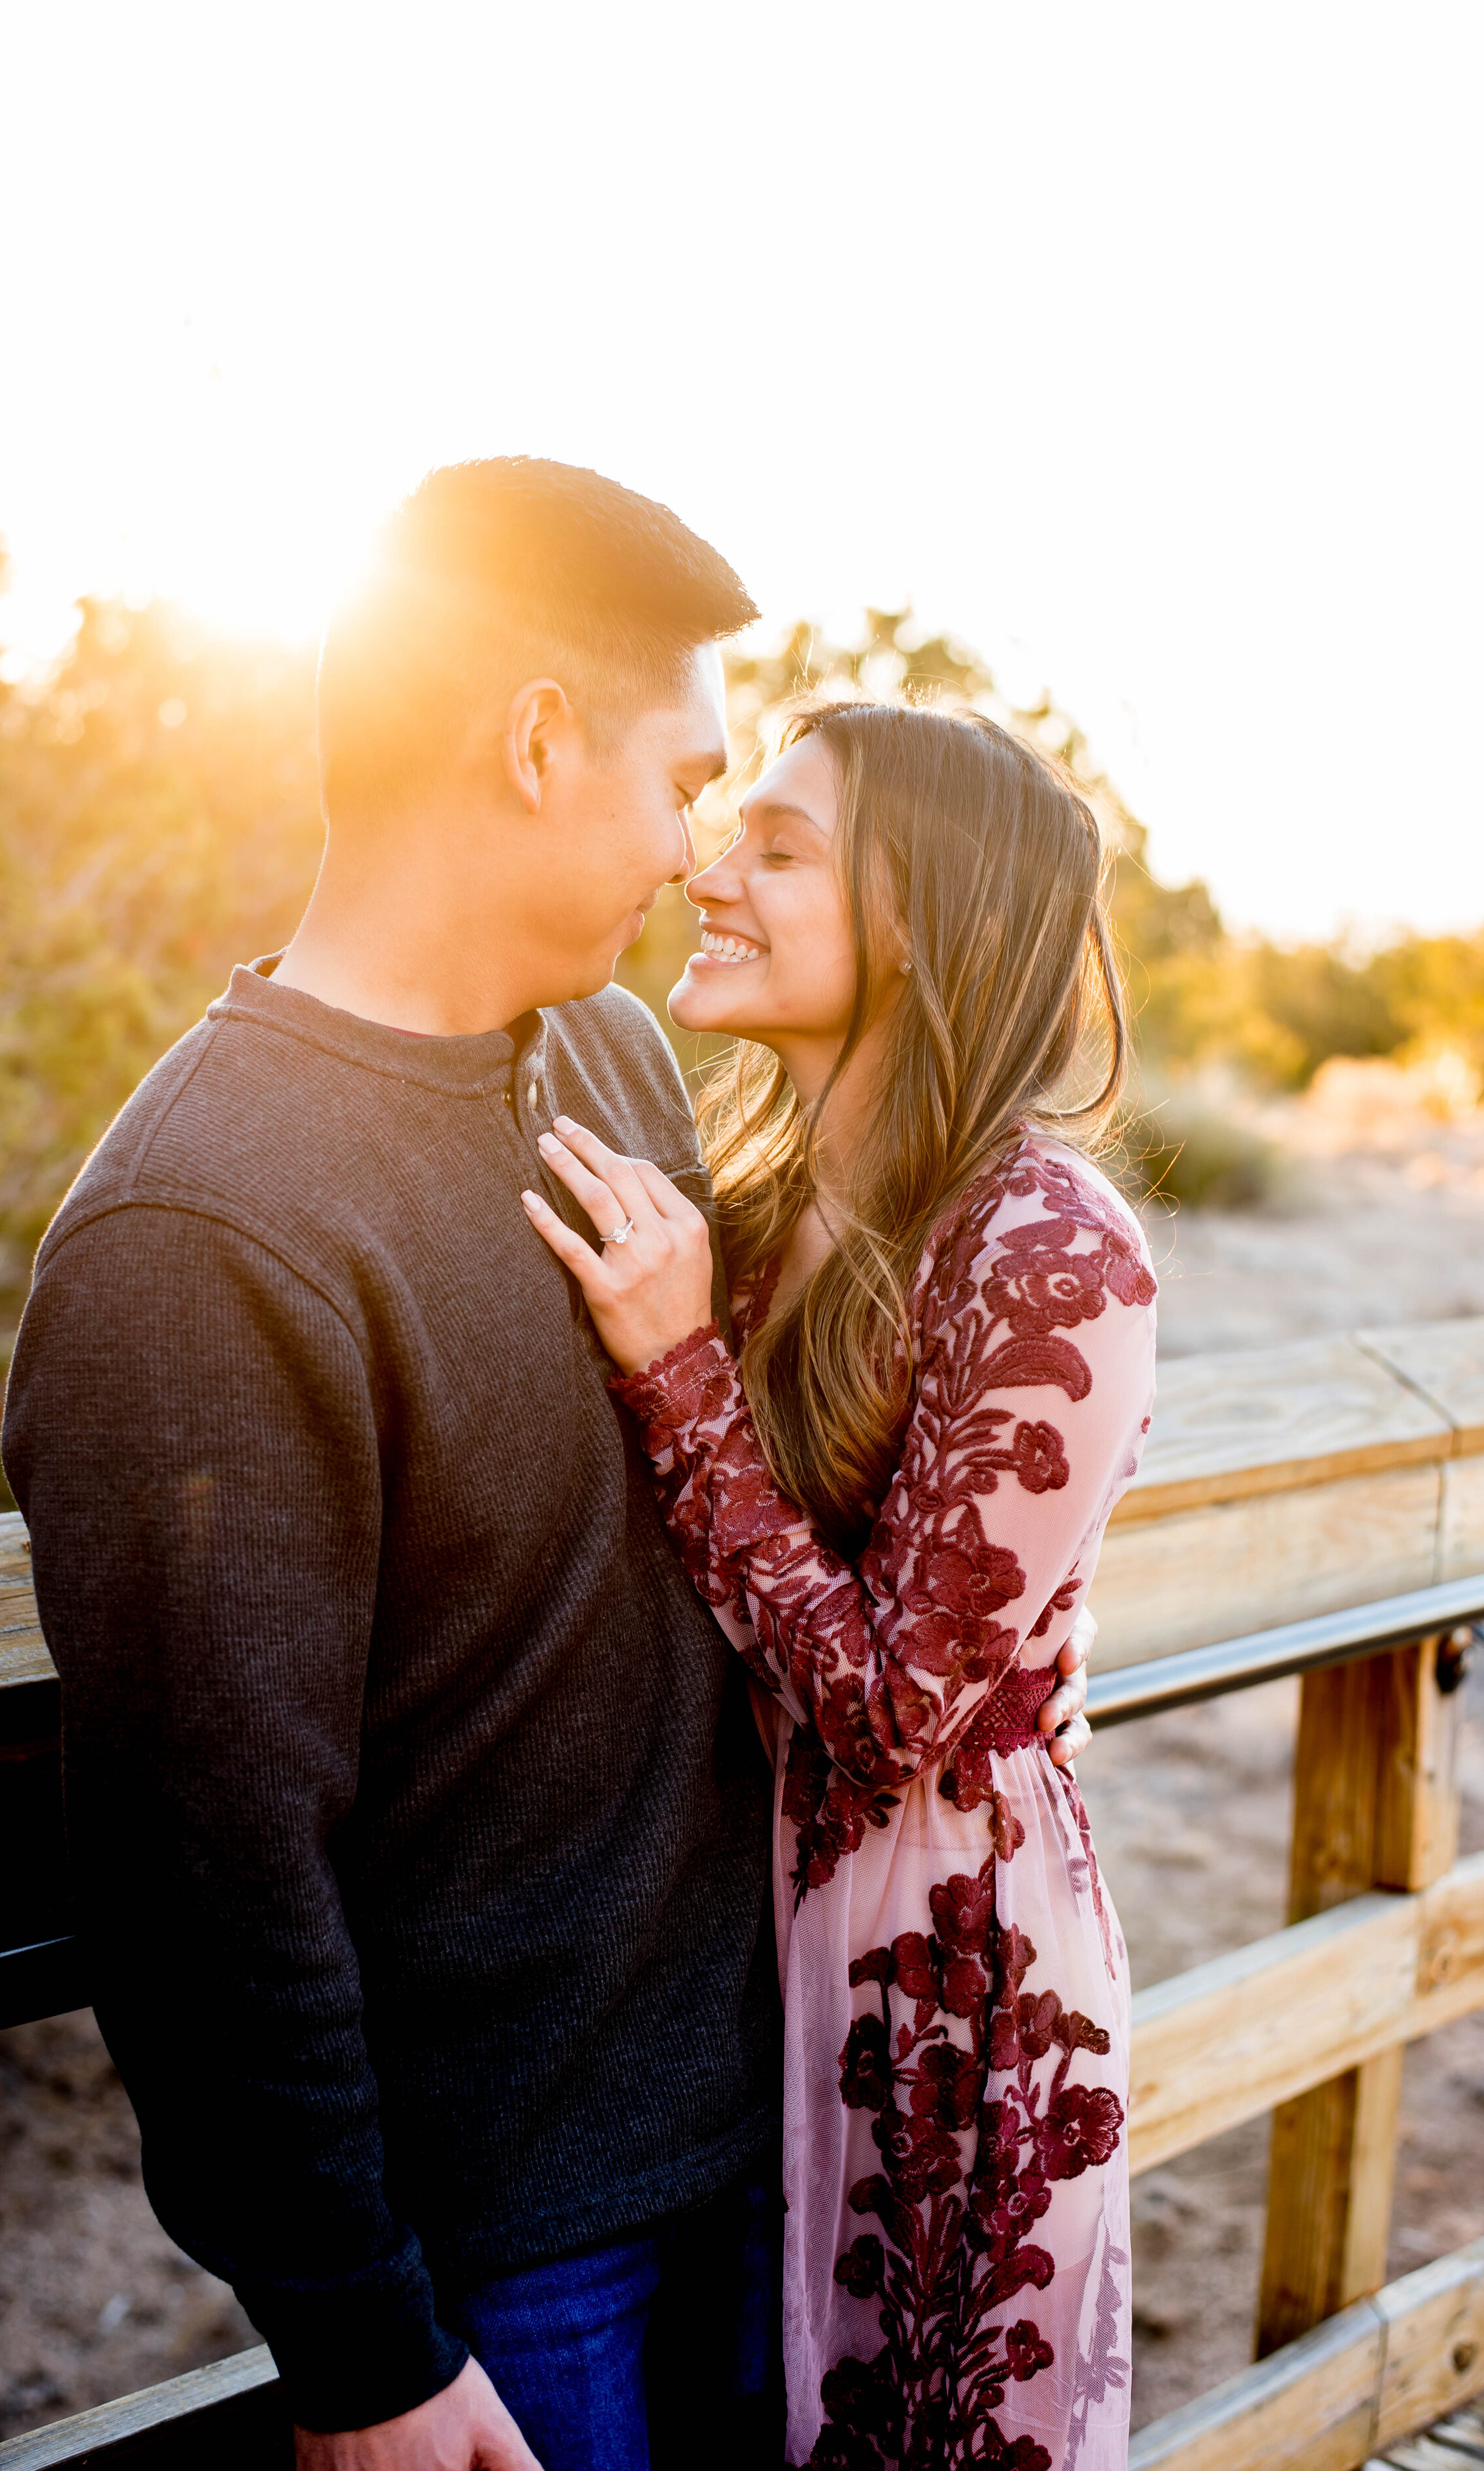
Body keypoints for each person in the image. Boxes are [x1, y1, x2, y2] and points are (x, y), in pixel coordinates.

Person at [2, 461, 1093, 2471]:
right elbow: (205, 1875)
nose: (697, 853)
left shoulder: (604, 1063)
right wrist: (362, 2352)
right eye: (683, 783)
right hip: (510, 2272)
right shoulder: (205, 1237)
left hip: (764, 2161)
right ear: (531, 742)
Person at [524, 699, 1154, 2469]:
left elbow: (890, 1712)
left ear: (919, 918)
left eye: (781, 849)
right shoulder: (751, 1197)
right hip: (728, 1977)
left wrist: (674, 1373)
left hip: (941, 1984)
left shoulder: (1046, 1244)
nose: (707, 871)